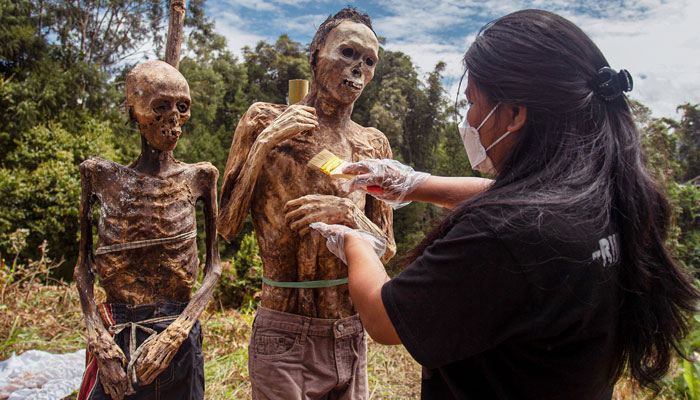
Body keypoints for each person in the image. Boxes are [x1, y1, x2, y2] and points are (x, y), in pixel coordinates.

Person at [305, 9, 700, 400]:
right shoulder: (610, 197)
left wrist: (356, 242)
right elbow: (530, 201)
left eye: (473, 102)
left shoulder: (506, 237)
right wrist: (416, 183)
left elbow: (383, 319)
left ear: (513, 113)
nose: (470, 118)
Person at [217, 8, 395, 400]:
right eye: (347, 53)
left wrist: (351, 215)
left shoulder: (372, 143)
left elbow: (387, 247)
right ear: (315, 54)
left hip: (348, 330)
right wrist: (264, 144)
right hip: (283, 330)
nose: (358, 70)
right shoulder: (262, 120)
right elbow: (226, 226)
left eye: (368, 61)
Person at [74, 61, 221, 400]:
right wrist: (100, 341)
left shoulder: (201, 177)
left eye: (181, 108)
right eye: (160, 107)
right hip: (116, 335)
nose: (172, 119)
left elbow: (214, 268)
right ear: (134, 112)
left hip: (178, 332)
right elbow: (83, 269)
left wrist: (178, 331)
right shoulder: (101, 176)